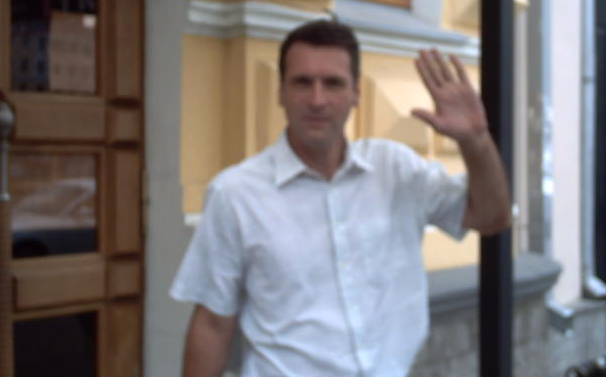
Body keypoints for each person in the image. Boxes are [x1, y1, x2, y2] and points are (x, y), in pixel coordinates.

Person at [170, 20, 511, 376]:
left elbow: (492, 217)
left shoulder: (396, 170)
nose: (317, 100)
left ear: (355, 94)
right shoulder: (236, 194)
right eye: (303, 82)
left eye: (333, 83)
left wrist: (475, 141)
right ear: (281, 92)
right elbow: (212, 323)